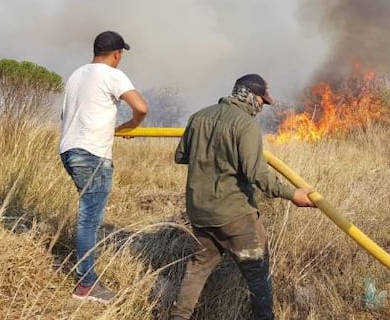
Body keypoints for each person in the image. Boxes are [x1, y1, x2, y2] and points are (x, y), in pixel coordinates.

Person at [170, 74, 315, 320]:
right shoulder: (245, 125)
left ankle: (178, 316)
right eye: (261, 100)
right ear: (249, 95)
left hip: (200, 212)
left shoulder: (198, 116)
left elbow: (181, 156)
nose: (261, 106)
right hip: (236, 216)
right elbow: (257, 175)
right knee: (258, 275)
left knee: (197, 269)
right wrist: (293, 194)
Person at [59, 30, 148, 303]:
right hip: (92, 154)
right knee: (89, 218)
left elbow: (65, 114)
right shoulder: (112, 74)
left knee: (90, 215)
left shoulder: (76, 75)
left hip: (69, 150)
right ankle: (86, 284)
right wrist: (133, 124)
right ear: (117, 54)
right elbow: (141, 107)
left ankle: (85, 275)